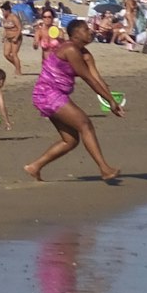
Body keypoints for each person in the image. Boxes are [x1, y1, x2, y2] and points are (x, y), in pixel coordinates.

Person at [23, 21, 122, 185]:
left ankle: (34, 167)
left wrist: (112, 100)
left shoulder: (86, 55)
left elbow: (97, 78)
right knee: (85, 124)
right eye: (85, 29)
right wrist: (109, 100)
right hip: (47, 93)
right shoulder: (70, 49)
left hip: (56, 94)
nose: (89, 32)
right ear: (75, 34)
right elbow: (88, 78)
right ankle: (104, 169)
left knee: (71, 141)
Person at [0, 4, 23, 75]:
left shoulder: (14, 17)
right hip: (8, 38)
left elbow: (19, 27)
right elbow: (5, 29)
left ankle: (18, 70)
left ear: (8, 11)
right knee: (6, 54)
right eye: (2, 11)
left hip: (16, 37)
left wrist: (16, 37)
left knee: (14, 54)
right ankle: (17, 66)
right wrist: (3, 37)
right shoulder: (4, 18)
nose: (3, 13)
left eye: (3, 11)